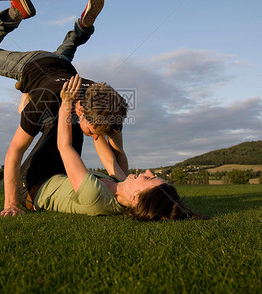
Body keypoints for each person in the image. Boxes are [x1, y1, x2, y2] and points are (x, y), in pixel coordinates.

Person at [0, 0, 129, 217]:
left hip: (61, 64)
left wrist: (122, 181)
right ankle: (15, 13)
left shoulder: (103, 102)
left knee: (64, 54)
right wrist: (10, 203)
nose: (93, 136)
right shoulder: (45, 98)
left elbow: (107, 149)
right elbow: (14, 152)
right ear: (79, 109)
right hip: (33, 64)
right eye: (92, 130)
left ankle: (81, 29)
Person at [33, 74, 200, 221]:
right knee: (71, 124)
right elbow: (108, 158)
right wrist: (97, 121)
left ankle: (30, 92)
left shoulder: (96, 196)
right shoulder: (121, 183)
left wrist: (67, 102)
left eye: (149, 179)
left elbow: (64, 147)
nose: (148, 172)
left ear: (135, 198)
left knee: (51, 118)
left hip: (32, 186)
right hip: (54, 175)